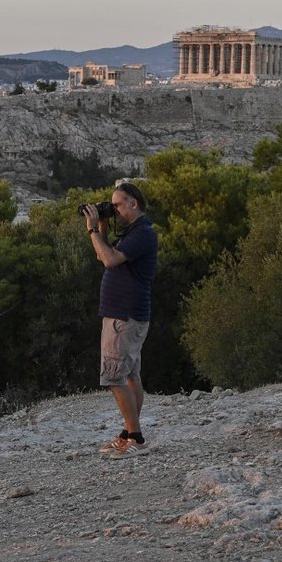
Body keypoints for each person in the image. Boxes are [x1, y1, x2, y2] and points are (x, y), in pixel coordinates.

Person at [82, 181, 158, 459]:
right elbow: (102, 254)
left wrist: (91, 227)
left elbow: (110, 260)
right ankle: (129, 432)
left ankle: (136, 438)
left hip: (124, 316)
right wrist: (101, 226)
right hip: (126, 314)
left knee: (114, 377)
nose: (113, 210)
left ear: (133, 204)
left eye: (116, 205)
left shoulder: (143, 234)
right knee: (129, 376)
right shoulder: (133, 232)